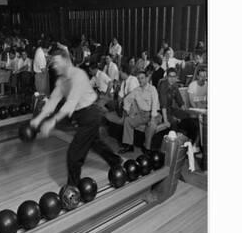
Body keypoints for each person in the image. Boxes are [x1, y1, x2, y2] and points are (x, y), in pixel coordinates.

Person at [30, 48, 122, 188]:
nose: (53, 66)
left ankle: (72, 188)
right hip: (81, 116)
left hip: (91, 114)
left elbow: (71, 102)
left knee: (74, 154)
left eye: (56, 63)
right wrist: (38, 118)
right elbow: (54, 100)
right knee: (95, 143)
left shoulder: (78, 75)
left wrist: (52, 121)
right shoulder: (62, 81)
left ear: (66, 61)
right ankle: (116, 161)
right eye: (52, 63)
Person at [118, 70, 161, 154]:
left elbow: (155, 105)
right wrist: (127, 111)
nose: (140, 80)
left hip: (154, 114)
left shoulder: (152, 89)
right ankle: (129, 145)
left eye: (142, 78)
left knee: (151, 126)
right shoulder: (136, 90)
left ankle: (147, 148)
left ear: (146, 79)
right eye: (139, 79)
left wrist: (152, 119)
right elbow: (127, 99)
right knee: (127, 120)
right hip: (142, 115)